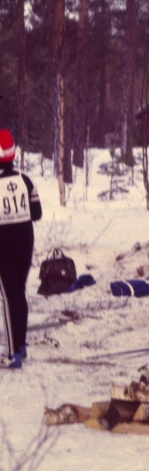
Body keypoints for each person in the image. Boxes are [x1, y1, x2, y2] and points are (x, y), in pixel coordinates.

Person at [0, 130, 42, 369]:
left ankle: (12, 355)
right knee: (20, 292)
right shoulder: (25, 180)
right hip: (25, 239)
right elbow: (36, 214)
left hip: (3, 242)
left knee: (8, 296)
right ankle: (22, 346)